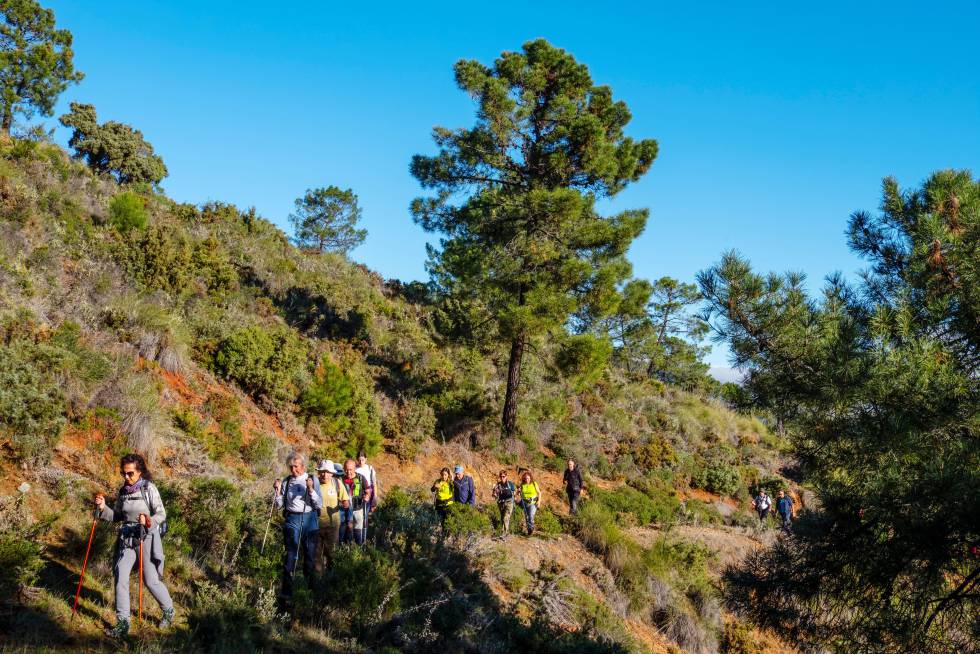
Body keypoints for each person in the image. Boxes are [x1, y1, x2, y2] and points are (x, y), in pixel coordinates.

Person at [94, 453, 175, 638]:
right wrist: (102, 508)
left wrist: (147, 521)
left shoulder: (149, 489)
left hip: (147, 538)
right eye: (124, 473)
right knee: (120, 576)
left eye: (130, 473)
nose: (126, 477)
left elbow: (161, 514)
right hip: (126, 538)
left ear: (140, 472)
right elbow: (117, 516)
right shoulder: (123, 491)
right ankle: (123, 623)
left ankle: (169, 610)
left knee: (150, 580)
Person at [273, 452, 322, 599]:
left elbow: (319, 504)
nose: (293, 470)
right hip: (292, 519)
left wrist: (311, 489)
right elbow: (279, 505)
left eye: (296, 467)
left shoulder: (312, 479)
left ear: (303, 466)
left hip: (309, 520)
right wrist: (277, 492)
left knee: (310, 557)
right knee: (290, 556)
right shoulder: (287, 481)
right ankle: (286, 593)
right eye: (291, 467)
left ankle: (309, 592)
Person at [315, 459, 349, 571]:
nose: (325, 475)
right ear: (319, 472)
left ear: (332, 473)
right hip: (316, 526)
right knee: (317, 557)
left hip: (332, 526)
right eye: (322, 472)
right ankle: (317, 583)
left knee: (332, 555)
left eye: (327, 472)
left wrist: (344, 504)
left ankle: (331, 581)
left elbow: (345, 500)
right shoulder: (314, 483)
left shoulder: (337, 483)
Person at [339, 459, 370, 545]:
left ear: (355, 468)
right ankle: (344, 550)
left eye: (350, 469)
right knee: (345, 532)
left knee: (357, 532)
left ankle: (358, 551)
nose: (348, 472)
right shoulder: (341, 479)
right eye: (346, 469)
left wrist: (367, 496)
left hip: (358, 509)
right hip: (344, 511)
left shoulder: (360, 478)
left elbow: (368, 490)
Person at [355, 450, 379, 542]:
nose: (361, 462)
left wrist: (375, 497)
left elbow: (374, 483)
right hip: (357, 496)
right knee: (358, 517)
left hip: (368, 496)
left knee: (365, 516)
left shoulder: (370, 469)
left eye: (363, 460)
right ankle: (358, 538)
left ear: (366, 459)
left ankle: (364, 539)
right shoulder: (355, 469)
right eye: (359, 460)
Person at [491, 469, 516, 538]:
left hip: (509, 502)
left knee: (506, 518)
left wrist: (516, 495)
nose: (502, 478)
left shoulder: (510, 484)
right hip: (501, 503)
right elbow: (494, 496)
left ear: (506, 476)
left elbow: (514, 493)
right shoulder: (498, 485)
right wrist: (494, 491)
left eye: (503, 476)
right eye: (501, 476)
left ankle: (506, 532)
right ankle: (502, 532)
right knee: (502, 518)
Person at [517, 470, 542, 536]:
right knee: (527, 517)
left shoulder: (534, 483)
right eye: (525, 478)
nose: (526, 479)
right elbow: (517, 493)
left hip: (533, 503)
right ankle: (529, 531)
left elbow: (539, 493)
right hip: (525, 503)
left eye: (528, 478)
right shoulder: (522, 484)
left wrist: (539, 501)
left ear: (530, 478)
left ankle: (531, 528)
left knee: (531, 516)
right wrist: (518, 491)